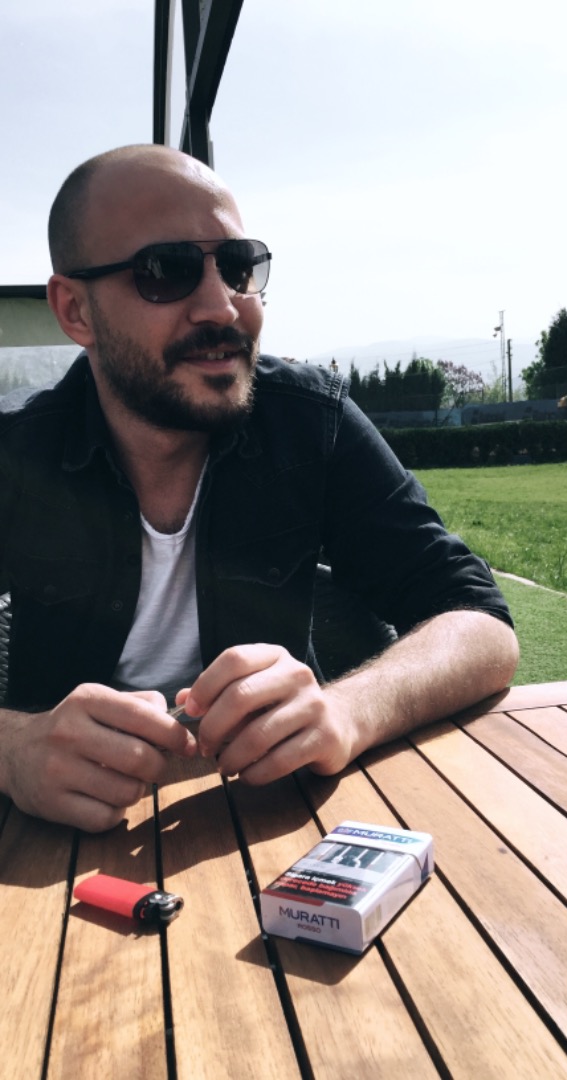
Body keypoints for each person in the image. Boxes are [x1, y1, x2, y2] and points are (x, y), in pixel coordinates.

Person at [0, 145, 518, 832]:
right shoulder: (17, 453)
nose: (223, 306)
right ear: (75, 311)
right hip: (53, 844)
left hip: (273, 813)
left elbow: (480, 622)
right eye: (165, 271)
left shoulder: (310, 421)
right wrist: (12, 750)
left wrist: (348, 709)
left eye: (238, 267)